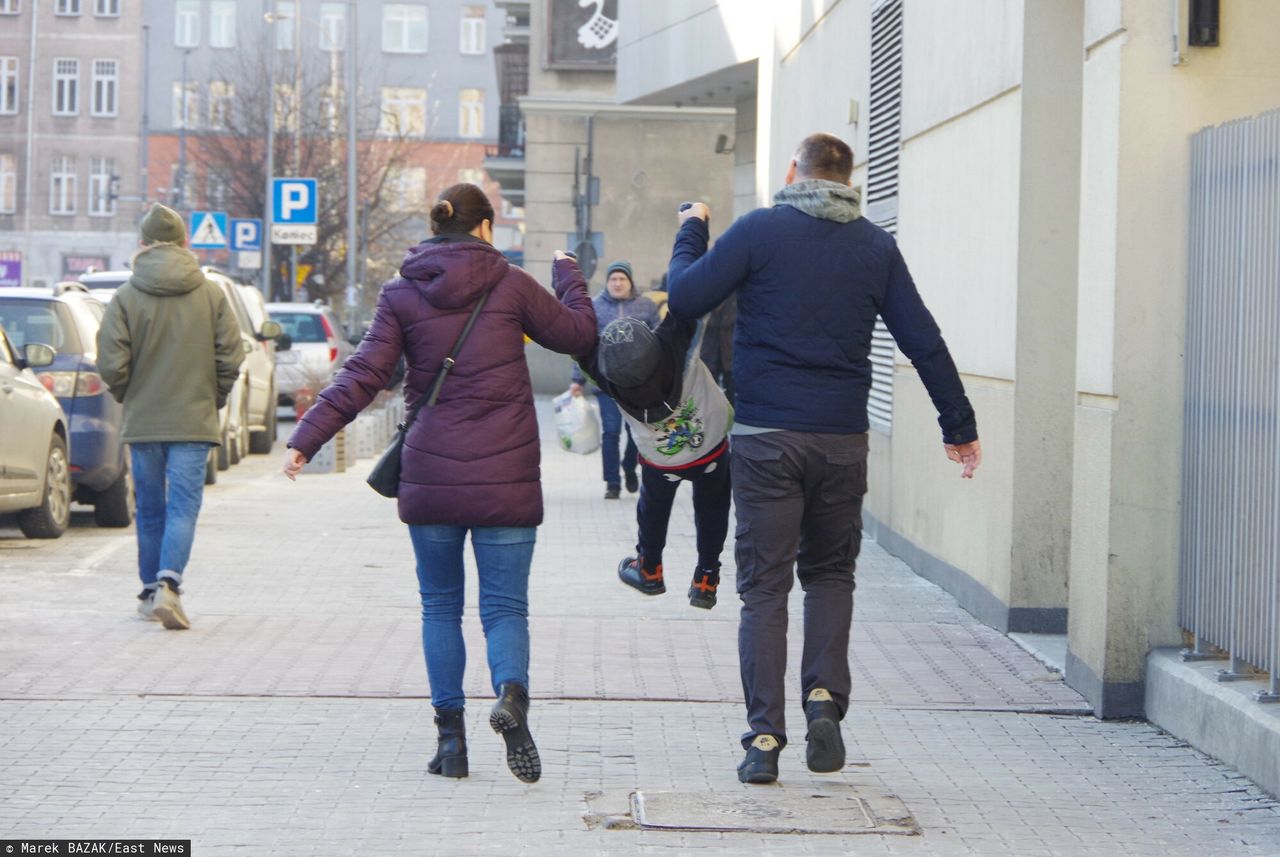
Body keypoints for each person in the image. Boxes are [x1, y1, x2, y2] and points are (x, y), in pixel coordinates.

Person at [667, 133, 982, 785]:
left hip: (765, 439)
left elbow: (687, 295)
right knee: (831, 574)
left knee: (763, 586)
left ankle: (762, 738)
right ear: (848, 178)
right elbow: (922, 338)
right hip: (841, 440)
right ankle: (823, 698)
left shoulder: (759, 231)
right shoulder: (873, 245)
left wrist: (692, 230)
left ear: (794, 172)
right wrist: (958, 422)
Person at [282, 183, 595, 783]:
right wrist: (569, 275)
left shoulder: (402, 292)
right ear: (486, 229)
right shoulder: (513, 286)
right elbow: (580, 335)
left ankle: (450, 743)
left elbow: (365, 373)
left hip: (431, 476)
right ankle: (511, 695)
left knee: (440, 606)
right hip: (506, 477)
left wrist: (306, 438)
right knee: (505, 607)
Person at [96, 203, 244, 631]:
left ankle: (148, 592)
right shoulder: (212, 294)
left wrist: (131, 395)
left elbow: (111, 361)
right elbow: (230, 356)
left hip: (145, 419)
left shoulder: (125, 296)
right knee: (183, 506)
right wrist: (212, 396)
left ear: (142, 245)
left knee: (150, 508)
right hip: (193, 419)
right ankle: (168, 585)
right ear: (185, 243)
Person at [574, 311, 732, 609]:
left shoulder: (606, 377)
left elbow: (575, 339)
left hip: (663, 461)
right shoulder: (677, 344)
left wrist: (567, 276)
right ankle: (706, 578)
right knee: (713, 508)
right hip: (709, 446)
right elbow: (691, 302)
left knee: (653, 510)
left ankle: (649, 569)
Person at [569, 260, 660, 499]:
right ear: (607, 282)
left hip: (638, 384)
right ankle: (612, 483)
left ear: (630, 282)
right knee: (610, 432)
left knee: (635, 432)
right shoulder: (595, 307)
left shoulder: (646, 306)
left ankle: (629, 467)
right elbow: (584, 344)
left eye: (622, 279)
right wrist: (578, 379)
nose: (618, 283)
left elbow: (659, 341)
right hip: (606, 381)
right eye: (613, 279)